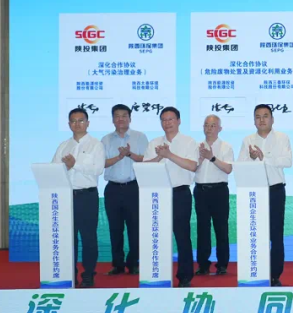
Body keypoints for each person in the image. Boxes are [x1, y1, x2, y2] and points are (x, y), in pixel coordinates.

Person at [143, 107, 199, 288]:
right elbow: (144, 169)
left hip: (179, 193)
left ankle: (185, 276)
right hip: (157, 195)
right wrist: (159, 157)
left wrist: (169, 155)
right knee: (157, 236)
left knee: (182, 236)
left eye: (171, 119)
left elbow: (192, 166)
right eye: (164, 120)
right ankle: (158, 273)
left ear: (179, 121)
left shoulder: (189, 142)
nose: (167, 123)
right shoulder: (154, 143)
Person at [238, 104, 292, 287]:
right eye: (258, 116)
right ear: (254, 120)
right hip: (254, 192)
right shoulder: (247, 140)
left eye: (265, 116)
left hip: (275, 190)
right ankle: (257, 271)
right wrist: (252, 158)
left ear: (272, 119)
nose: (261, 120)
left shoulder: (282, 138)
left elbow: (287, 161)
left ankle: (275, 274)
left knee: (276, 235)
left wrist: (264, 158)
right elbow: (240, 165)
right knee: (256, 234)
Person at [52, 108, 106, 287]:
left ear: (87, 123)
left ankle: (88, 274)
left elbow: (98, 169)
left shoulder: (96, 145)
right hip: (66, 197)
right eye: (73, 121)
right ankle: (71, 274)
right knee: (69, 238)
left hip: (87, 197)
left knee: (88, 237)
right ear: (69, 124)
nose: (77, 124)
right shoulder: (63, 146)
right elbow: (54, 170)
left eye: (81, 120)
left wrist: (75, 164)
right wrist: (65, 167)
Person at [100, 103, 147, 276]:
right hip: (112, 189)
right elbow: (101, 163)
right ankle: (118, 264)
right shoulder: (105, 140)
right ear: (113, 119)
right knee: (115, 228)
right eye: (117, 116)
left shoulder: (139, 137)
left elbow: (146, 159)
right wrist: (119, 157)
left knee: (135, 228)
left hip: (133, 188)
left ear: (130, 118)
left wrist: (129, 154)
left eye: (124, 116)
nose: (121, 119)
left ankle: (133, 263)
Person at [194, 114, 234, 276]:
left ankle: (222, 264)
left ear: (220, 128)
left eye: (212, 125)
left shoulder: (226, 147)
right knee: (202, 229)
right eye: (206, 125)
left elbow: (228, 169)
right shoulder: (196, 146)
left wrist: (211, 158)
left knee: (221, 228)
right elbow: (192, 168)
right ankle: (203, 264)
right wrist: (200, 159)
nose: (209, 128)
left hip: (219, 191)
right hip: (200, 191)